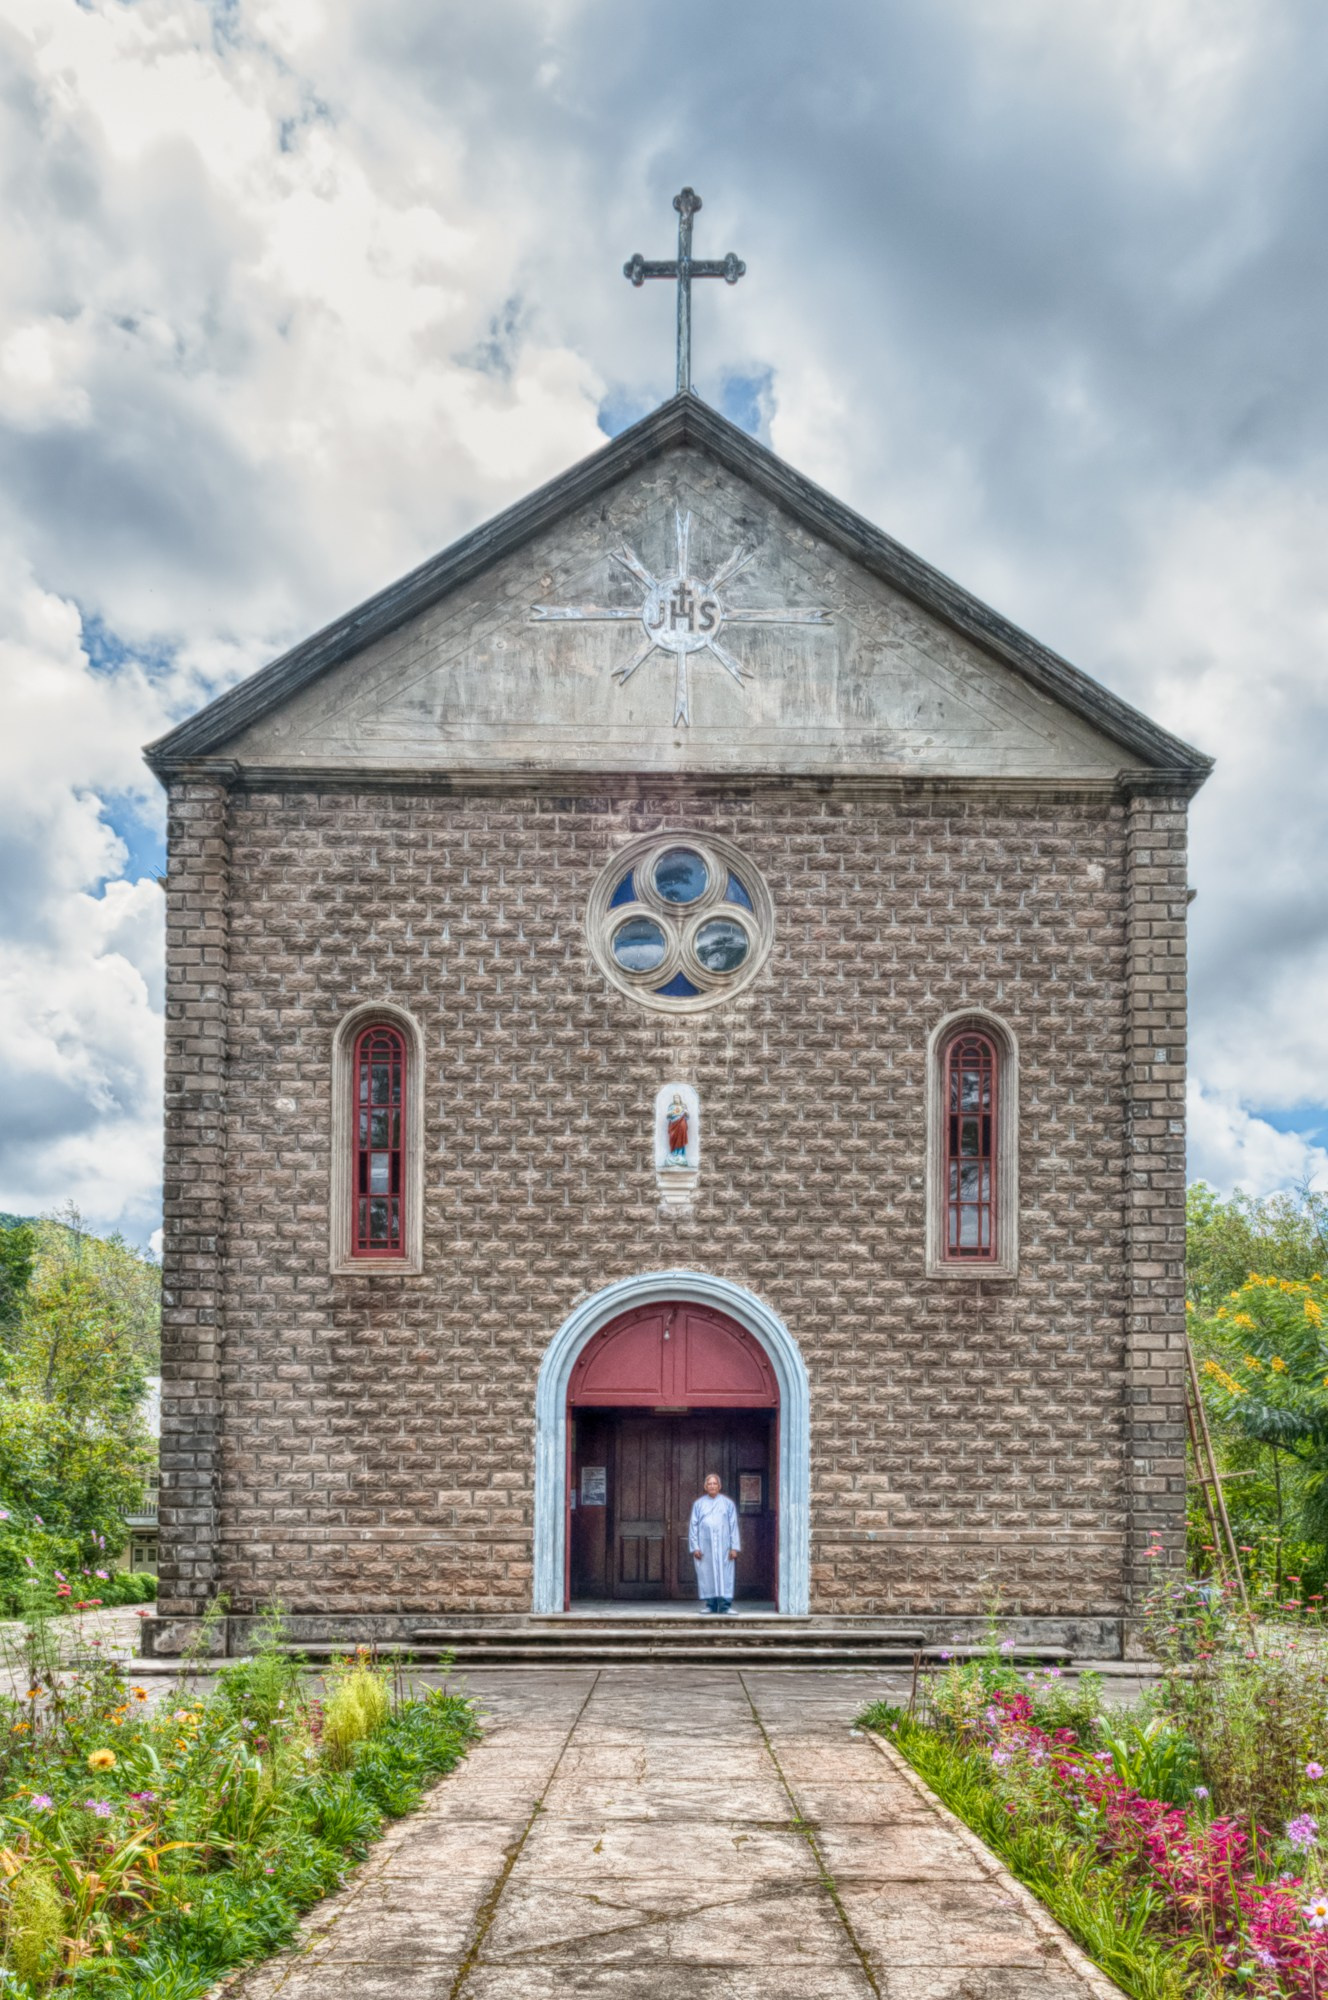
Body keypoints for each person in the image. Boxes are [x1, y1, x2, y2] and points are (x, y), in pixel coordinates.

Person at [689, 1472, 740, 1613]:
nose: (712, 1486)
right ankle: (710, 1605)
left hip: (724, 1546)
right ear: (705, 1486)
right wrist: (695, 1547)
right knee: (707, 1574)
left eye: (714, 1483)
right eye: (709, 1484)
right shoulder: (699, 1504)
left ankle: (725, 1607)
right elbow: (693, 1526)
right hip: (706, 1546)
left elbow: (733, 1526)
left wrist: (734, 1547)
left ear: (719, 1486)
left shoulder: (728, 1504)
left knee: (725, 1575)